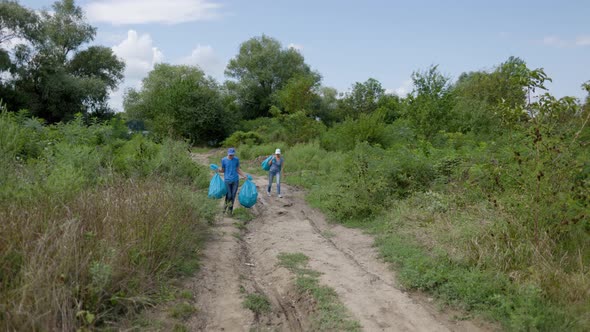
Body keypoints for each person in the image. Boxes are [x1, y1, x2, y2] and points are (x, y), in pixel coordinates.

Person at [218, 148, 247, 215]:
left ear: (234, 154)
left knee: (233, 196)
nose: (231, 156)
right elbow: (223, 170)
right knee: (229, 195)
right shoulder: (224, 160)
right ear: (228, 154)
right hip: (227, 180)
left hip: (235, 180)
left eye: (232, 155)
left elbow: (237, 169)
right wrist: (218, 170)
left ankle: (230, 211)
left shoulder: (236, 159)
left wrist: (244, 175)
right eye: (230, 155)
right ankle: (224, 209)